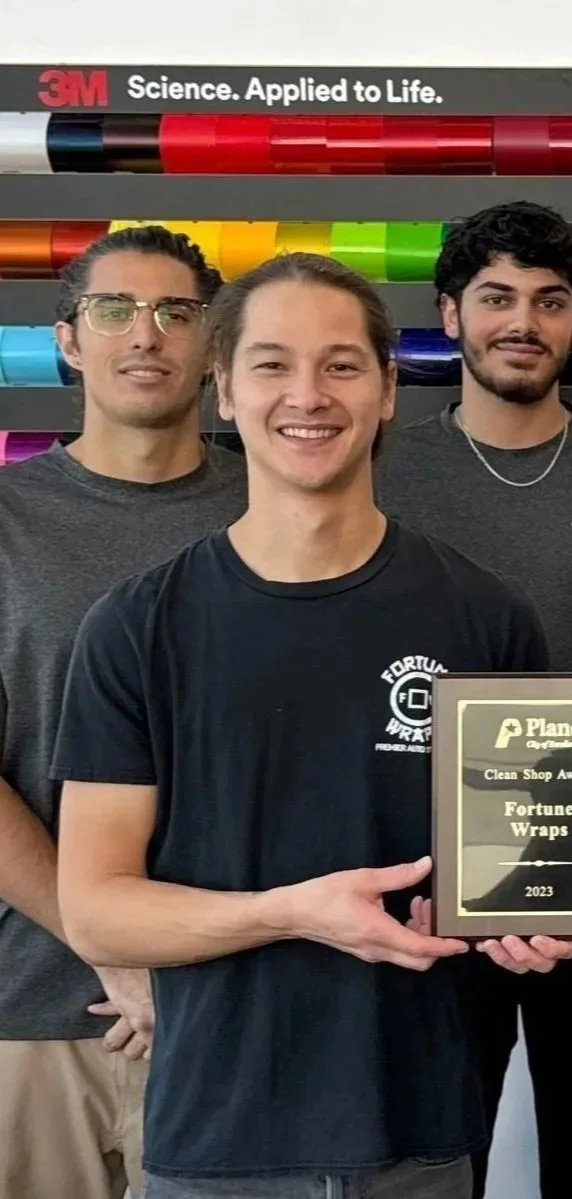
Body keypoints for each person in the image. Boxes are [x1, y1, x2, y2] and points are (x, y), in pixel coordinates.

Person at [48, 252, 572, 1199]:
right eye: (271, 364)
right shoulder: (135, 627)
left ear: (387, 389)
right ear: (225, 387)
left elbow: (523, 869)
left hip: (425, 1134)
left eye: (341, 365)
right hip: (215, 1140)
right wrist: (290, 912)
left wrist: (532, 926)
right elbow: (96, 907)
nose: (306, 395)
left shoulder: (486, 616)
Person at [374, 200, 572, 1199]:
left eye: (549, 300)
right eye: (495, 297)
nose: (522, 321)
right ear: (449, 313)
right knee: (429, 1159)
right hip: (425, 886)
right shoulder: (383, 470)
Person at [0, 224, 246, 1199]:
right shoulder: (6, 522)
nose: (146, 333)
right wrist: (110, 941)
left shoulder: (279, 512)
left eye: (176, 311)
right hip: (33, 1012)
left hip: (235, 1010)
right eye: (115, 309)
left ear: (212, 342)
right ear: (68, 338)